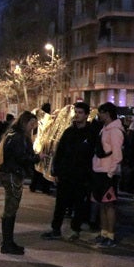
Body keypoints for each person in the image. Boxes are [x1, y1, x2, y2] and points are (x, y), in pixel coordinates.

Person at [42, 102, 95, 241]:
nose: (77, 115)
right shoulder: (69, 132)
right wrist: (56, 171)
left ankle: (75, 230)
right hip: (66, 174)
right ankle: (56, 229)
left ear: (86, 115)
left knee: (79, 204)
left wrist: (89, 174)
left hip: (82, 175)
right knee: (61, 203)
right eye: (76, 112)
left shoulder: (91, 133)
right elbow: (60, 152)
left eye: (80, 112)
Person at [0, 111, 39, 255]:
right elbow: (21, 157)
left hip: (9, 172)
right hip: (12, 174)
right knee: (11, 208)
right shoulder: (18, 137)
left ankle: (8, 242)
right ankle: (7, 244)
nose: (33, 127)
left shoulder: (12, 134)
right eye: (31, 124)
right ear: (25, 122)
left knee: (11, 207)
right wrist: (37, 158)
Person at [91, 102, 124, 248]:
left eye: (101, 112)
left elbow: (117, 154)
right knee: (102, 204)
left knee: (109, 205)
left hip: (107, 172)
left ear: (107, 113)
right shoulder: (104, 129)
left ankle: (110, 235)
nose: (99, 115)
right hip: (100, 170)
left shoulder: (115, 131)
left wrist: (111, 172)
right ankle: (104, 232)